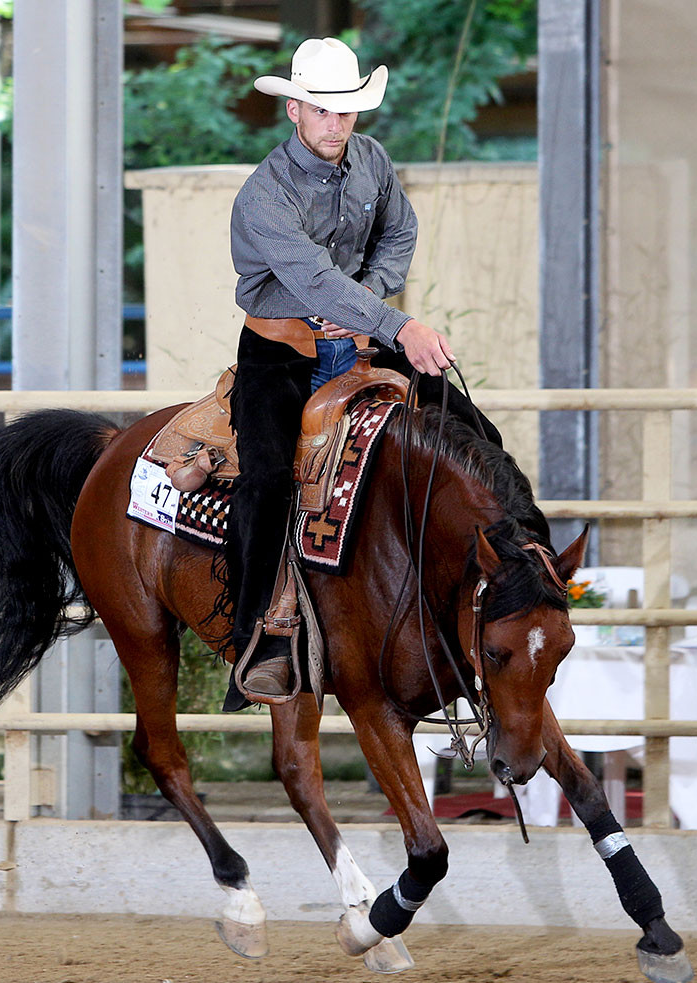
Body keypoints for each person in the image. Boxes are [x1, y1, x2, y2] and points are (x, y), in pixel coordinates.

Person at [223, 37, 501, 707]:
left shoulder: (372, 160)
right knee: (264, 479)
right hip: (281, 349)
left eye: (346, 112)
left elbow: (399, 233)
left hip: (365, 331)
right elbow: (313, 281)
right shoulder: (265, 194)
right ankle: (255, 636)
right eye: (321, 110)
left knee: (474, 434)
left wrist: (372, 305)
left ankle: (505, 573)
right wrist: (396, 324)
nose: (335, 124)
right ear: (294, 109)